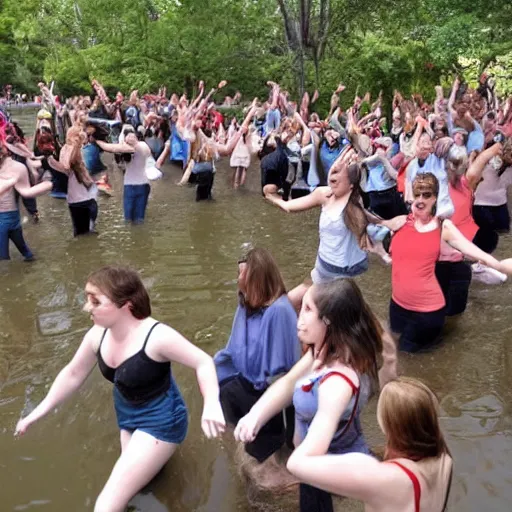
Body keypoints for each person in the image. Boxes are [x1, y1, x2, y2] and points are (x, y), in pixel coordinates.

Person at [15, 265, 226, 512]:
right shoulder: (97, 335)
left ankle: (163, 455)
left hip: (162, 422)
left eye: (95, 301)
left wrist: (211, 403)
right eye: (87, 299)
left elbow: (203, 362)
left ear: (125, 305)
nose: (86, 308)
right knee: (134, 486)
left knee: (105, 505)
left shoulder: (157, 337)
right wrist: (36, 414)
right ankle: (159, 466)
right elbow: (73, 373)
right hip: (127, 417)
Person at [234, 279, 397, 512]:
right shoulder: (327, 350)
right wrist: (256, 415)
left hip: (322, 467)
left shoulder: (337, 384)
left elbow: (314, 446)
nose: (299, 316)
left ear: (328, 321)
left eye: (308, 309)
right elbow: (289, 381)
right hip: (324, 461)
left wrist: (294, 465)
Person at [286, 377, 453, 512]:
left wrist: (327, 412)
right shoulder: (444, 457)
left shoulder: (384, 478)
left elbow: (295, 464)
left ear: (385, 425)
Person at [389, 172, 512, 352]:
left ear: (436, 198)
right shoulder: (402, 222)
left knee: (408, 356)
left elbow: (476, 253)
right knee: (394, 350)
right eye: (417, 194)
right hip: (397, 306)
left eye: (427, 195)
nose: (421, 200)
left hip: (426, 311)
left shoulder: (443, 226)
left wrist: (499, 266)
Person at [214, 248, 301, 463]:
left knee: (271, 451)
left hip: (268, 388)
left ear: (259, 280)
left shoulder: (278, 311)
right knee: (223, 393)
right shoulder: (246, 305)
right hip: (247, 379)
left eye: (243, 276)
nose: (238, 281)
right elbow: (234, 348)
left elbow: (282, 370)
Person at [48, 126, 98, 236]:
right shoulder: (68, 149)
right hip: (79, 199)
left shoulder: (80, 148)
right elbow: (66, 167)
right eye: (80, 133)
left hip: (85, 198)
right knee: (84, 233)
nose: (83, 134)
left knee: (84, 233)